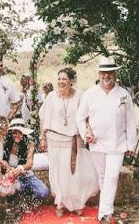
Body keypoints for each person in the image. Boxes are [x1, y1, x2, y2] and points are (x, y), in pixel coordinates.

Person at [77, 56, 136, 223]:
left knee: (112, 177)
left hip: (117, 144)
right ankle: (106, 211)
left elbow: (130, 120)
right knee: (102, 177)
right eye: (103, 72)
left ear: (115, 74)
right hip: (97, 144)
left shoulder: (124, 94)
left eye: (110, 72)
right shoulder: (89, 94)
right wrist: (85, 134)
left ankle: (104, 213)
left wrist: (131, 143)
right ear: (99, 73)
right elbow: (80, 118)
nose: (106, 76)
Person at [39, 68, 99, 217]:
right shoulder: (51, 97)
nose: (61, 82)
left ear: (71, 81)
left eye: (64, 79)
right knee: (58, 172)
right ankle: (60, 202)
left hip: (74, 140)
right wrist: (42, 137)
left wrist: (88, 132)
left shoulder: (80, 96)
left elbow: (86, 117)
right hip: (55, 140)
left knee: (75, 173)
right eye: (59, 79)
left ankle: (77, 203)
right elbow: (44, 118)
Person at [4, 118, 49, 203]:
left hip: (26, 175)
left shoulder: (29, 144)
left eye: (20, 132)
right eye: (14, 132)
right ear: (11, 133)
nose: (17, 135)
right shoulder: (6, 144)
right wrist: (8, 168)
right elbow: (3, 160)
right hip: (11, 176)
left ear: (24, 133)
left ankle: (29, 199)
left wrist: (21, 168)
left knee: (44, 193)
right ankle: (16, 202)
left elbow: (29, 163)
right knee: (16, 189)